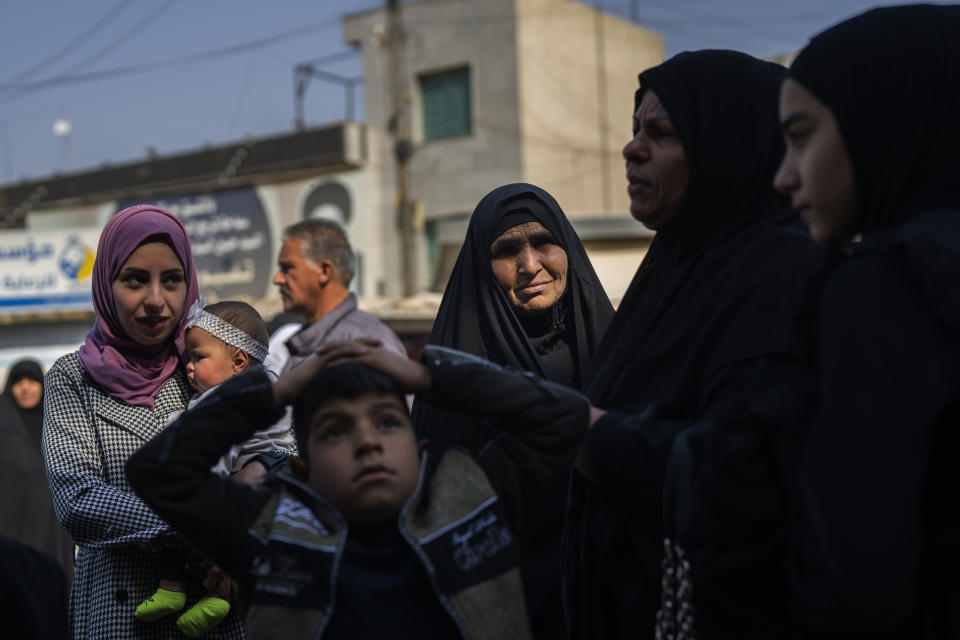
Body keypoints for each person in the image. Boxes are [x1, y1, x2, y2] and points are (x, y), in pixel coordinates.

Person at [563, 51, 824, 639]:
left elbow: (742, 475)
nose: (632, 150)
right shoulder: (675, 266)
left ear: (727, 147)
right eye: (634, 131)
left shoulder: (779, 276)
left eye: (662, 133)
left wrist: (584, 431)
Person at [127, 341, 589, 639]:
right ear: (301, 470)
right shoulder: (268, 528)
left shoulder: (474, 496)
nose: (368, 442)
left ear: (420, 449)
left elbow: (565, 419)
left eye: (388, 422)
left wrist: (429, 377)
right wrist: (276, 393)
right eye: (335, 432)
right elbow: (156, 471)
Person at [772, 5, 960, 637]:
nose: (783, 176)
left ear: (883, 123)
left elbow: (854, 577)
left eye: (801, 137)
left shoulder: (884, 288)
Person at [414, 182, 613, 637]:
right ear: (483, 269)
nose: (530, 265)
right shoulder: (456, 377)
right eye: (508, 251)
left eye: (545, 243)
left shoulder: (614, 354)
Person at [41, 204, 244, 639]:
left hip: (215, 618)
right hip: (120, 615)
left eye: (172, 280)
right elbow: (78, 500)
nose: (156, 301)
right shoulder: (71, 378)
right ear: (106, 284)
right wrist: (200, 524)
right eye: (135, 280)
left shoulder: (208, 366)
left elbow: (278, 449)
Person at [135, 299, 293, 637]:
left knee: (186, 522)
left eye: (198, 357)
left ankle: (192, 591)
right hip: (257, 478)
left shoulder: (229, 401)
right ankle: (186, 590)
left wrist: (201, 493)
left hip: (246, 478)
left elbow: (218, 455)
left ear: (238, 361)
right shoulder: (261, 387)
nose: (188, 368)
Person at [273, 219, 407, 372]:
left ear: (324, 271)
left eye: (287, 268)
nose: (277, 279)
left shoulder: (367, 342)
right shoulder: (303, 340)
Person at [0, 359, 74, 580]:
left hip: (54, 532)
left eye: (31, 380)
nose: (25, 388)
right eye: (18, 381)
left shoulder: (58, 425)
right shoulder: (3, 426)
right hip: (11, 531)